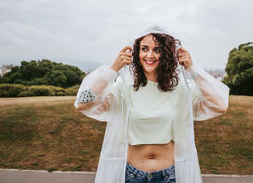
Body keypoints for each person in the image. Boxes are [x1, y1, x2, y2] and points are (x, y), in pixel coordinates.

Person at [75, 25, 229, 183]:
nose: (150, 55)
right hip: (132, 175)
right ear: (137, 52)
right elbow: (84, 104)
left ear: (167, 54)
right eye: (144, 48)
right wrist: (113, 69)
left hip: (170, 175)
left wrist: (191, 69)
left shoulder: (181, 90)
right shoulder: (124, 87)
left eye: (157, 50)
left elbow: (219, 106)